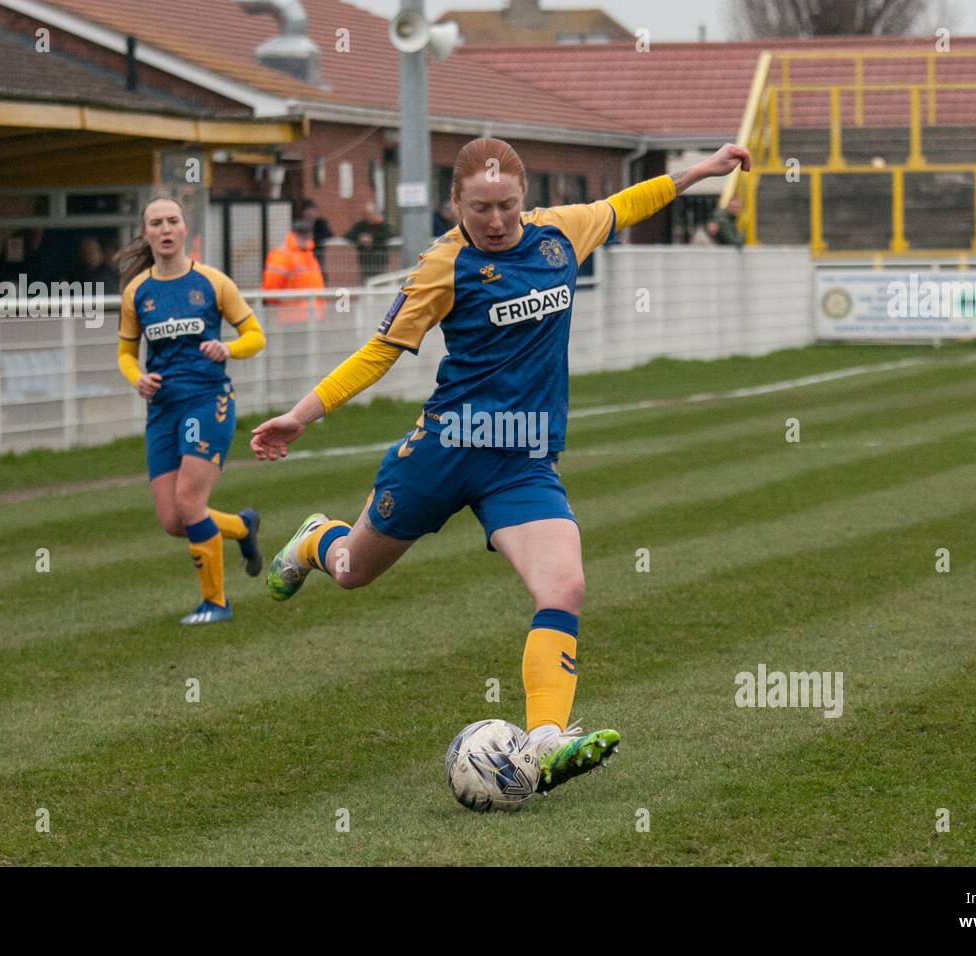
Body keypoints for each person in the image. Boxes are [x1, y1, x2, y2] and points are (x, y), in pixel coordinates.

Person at [252, 137, 752, 794]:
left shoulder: (560, 236)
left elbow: (625, 203)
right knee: (352, 572)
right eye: (481, 207)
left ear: (527, 200)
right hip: (443, 452)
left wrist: (698, 173)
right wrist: (300, 414)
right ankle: (318, 538)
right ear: (454, 202)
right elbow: (380, 352)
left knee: (564, 587)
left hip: (521, 460)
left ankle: (545, 740)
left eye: (508, 206)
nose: (495, 220)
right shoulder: (442, 265)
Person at [115, 196, 269, 625]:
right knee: (172, 520)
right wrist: (137, 379)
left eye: (172, 221)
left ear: (186, 230)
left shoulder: (213, 283)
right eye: (156, 223)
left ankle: (216, 604)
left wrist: (229, 348)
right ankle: (241, 527)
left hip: (208, 400)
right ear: (146, 233)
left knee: (188, 500)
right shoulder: (137, 292)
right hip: (162, 409)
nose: (165, 230)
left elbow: (256, 335)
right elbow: (126, 354)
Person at [261, 219, 326, 323]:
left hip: (312, 317)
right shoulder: (282, 256)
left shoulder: (308, 254)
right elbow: (270, 292)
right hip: (292, 319)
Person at [344, 201, 393, 280]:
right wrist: (360, 238)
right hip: (365, 262)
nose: (368, 216)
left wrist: (372, 239)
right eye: (366, 214)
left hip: (380, 261)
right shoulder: (360, 225)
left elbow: (388, 234)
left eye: (370, 213)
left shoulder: (381, 225)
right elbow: (348, 235)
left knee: (380, 282)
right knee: (366, 283)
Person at [297, 199, 333, 273]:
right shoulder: (299, 225)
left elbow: (329, 235)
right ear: (304, 212)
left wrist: (315, 239)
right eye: (308, 211)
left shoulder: (321, 223)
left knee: (319, 271)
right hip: (302, 255)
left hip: (317, 253)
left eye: (313, 210)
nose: (311, 213)